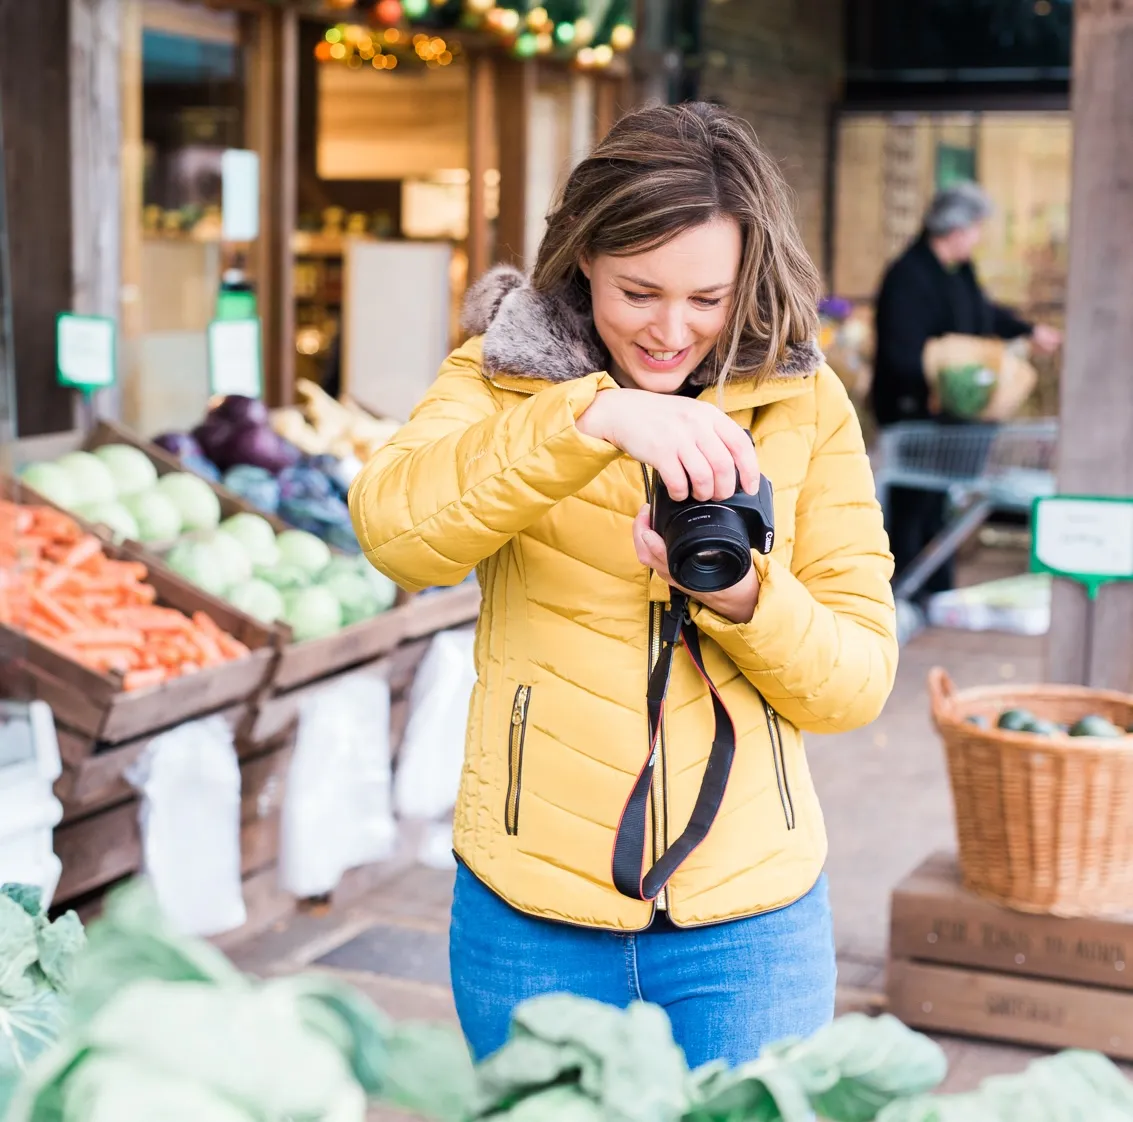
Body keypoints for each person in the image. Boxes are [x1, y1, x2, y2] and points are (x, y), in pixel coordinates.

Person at [349, 102, 898, 1069]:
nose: (671, 330)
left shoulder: (803, 401)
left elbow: (855, 682)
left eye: (707, 296)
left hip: (749, 923)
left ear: (749, 277)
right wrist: (587, 421)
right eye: (637, 291)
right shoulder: (501, 380)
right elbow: (396, 532)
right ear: (585, 260)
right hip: (531, 913)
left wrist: (744, 600)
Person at [869, 181, 1062, 597]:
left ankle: (935, 594)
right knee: (912, 509)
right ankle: (905, 596)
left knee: (938, 508)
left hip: (951, 422)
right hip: (916, 414)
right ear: (956, 230)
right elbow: (903, 356)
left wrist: (1027, 330)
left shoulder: (959, 273)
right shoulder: (909, 277)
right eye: (976, 228)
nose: (977, 237)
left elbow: (983, 314)